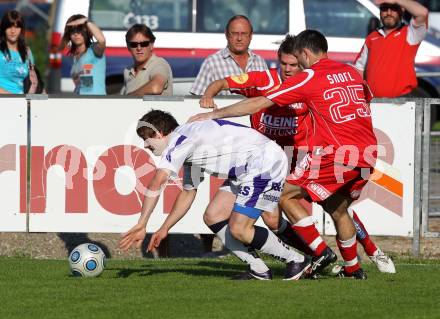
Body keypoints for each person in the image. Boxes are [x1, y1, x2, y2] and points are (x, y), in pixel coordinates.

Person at [190, 30, 383, 279]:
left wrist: (214, 114)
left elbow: (261, 103)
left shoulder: (309, 77)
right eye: (285, 63)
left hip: (332, 154)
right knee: (338, 208)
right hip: (367, 151)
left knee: (282, 197)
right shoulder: (351, 72)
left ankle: (318, 254)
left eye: (296, 62)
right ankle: (353, 270)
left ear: (304, 53)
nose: (293, 68)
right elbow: (366, 99)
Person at [119, 109, 312, 281]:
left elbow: (157, 181)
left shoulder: (179, 141)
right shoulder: (186, 144)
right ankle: (258, 269)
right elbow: (188, 192)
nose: (145, 145)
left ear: (160, 134)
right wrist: (164, 228)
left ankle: (297, 260)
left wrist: (142, 223)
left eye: (146, 138)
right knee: (213, 216)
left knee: (240, 228)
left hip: (262, 162)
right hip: (246, 169)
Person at [355, 0, 429, 97]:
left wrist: (396, 0)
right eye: (384, 8)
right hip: (373, 103)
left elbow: (422, 13)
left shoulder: (410, 34)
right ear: (380, 11)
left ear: (402, 10)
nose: (389, 13)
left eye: (394, 8)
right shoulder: (372, 37)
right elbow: (359, 69)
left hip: (402, 103)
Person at [190, 15, 267, 96]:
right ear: (226, 35)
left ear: (251, 36)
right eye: (234, 33)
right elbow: (196, 99)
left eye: (244, 34)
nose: (239, 38)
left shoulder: (260, 62)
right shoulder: (212, 63)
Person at [121, 24, 173, 96]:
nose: (139, 48)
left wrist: (130, 97)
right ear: (128, 46)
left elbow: (156, 88)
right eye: (134, 44)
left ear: (151, 45)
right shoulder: (127, 71)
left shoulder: (159, 64)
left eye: (144, 44)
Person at [61, 14, 106, 95]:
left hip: (96, 101)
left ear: (87, 31)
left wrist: (87, 22)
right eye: (72, 31)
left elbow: (102, 40)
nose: (76, 34)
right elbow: (81, 85)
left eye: (79, 30)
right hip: (80, 100)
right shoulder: (75, 57)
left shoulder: (94, 49)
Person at [0, 10, 38, 94]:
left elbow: (32, 84)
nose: (13, 31)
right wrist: (10, 97)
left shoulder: (27, 52)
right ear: (3, 29)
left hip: (20, 102)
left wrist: (35, 88)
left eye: (17, 27)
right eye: (9, 27)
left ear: (21, 29)